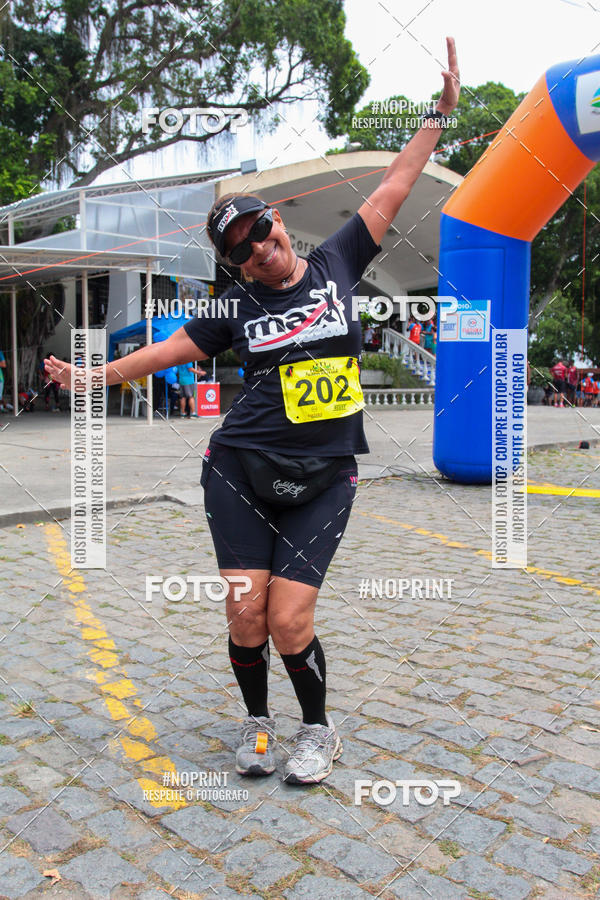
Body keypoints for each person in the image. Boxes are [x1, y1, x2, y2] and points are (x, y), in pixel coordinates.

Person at [45, 38, 460, 784]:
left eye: (261, 231)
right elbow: (167, 351)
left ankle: (317, 730)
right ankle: (258, 722)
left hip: (326, 473)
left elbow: (399, 179)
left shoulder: (339, 259)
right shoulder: (233, 306)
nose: (259, 251)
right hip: (239, 467)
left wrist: (438, 113)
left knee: (289, 619)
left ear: (276, 220)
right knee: (245, 612)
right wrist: (93, 375)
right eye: (241, 251)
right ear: (233, 264)